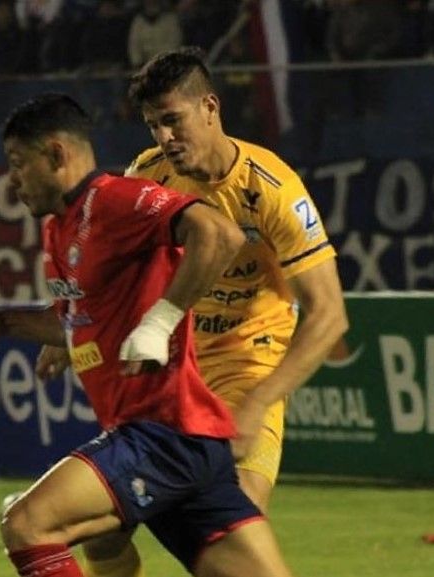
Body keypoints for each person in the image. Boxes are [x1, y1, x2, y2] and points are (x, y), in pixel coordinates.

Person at [28, 47, 349, 577]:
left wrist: (259, 401)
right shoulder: (148, 174)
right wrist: (65, 322)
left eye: (173, 121)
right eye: (153, 125)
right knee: (103, 531)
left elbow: (329, 315)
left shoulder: (272, 189)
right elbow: (112, 271)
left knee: (238, 515)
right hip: (175, 370)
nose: (163, 138)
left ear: (210, 108)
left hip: (248, 366)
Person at [0, 93, 293, 577]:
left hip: (163, 432)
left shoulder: (116, 199)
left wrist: (161, 321)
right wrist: (4, 323)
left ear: (56, 154)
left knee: (28, 524)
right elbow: (81, 323)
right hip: (187, 444)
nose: (13, 179)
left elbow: (219, 235)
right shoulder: (60, 231)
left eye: (18, 163)